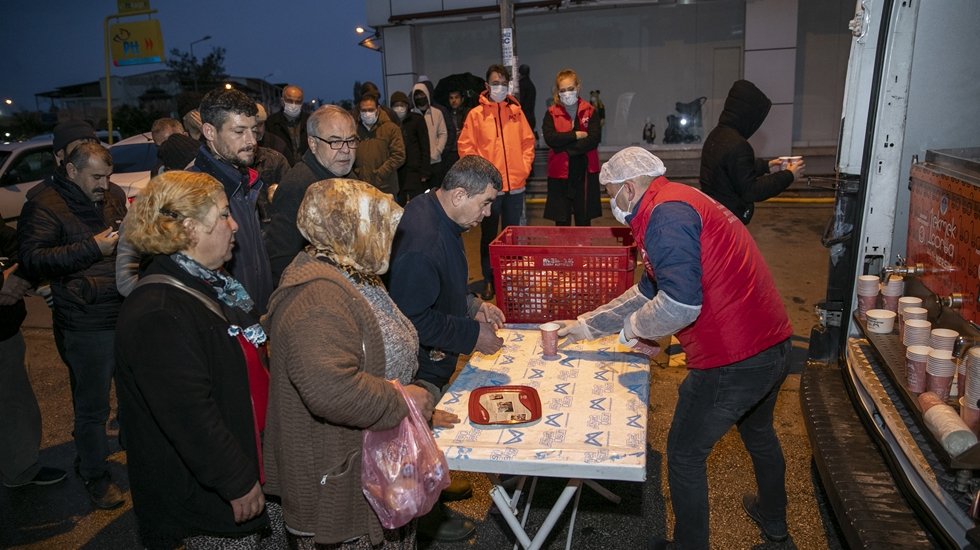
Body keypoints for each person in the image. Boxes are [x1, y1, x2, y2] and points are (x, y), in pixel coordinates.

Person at [557, 147, 793, 549]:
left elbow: (681, 304)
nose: (612, 204)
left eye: (612, 194)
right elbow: (646, 291)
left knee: (684, 456)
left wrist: (632, 332)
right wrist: (584, 326)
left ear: (629, 188)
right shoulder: (677, 200)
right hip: (772, 342)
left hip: (732, 358)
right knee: (760, 436)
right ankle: (775, 525)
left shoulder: (664, 218)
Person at [263, 178, 436, 548]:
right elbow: (332, 389)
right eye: (377, 225)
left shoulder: (350, 269)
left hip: (372, 456)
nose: (388, 236)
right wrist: (402, 401)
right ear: (348, 229)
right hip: (336, 474)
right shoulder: (317, 298)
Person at [115, 170, 278, 549]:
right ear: (189, 228)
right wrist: (235, 480)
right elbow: (189, 415)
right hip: (209, 500)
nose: (234, 224)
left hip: (249, 464)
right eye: (223, 214)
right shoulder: (160, 310)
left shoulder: (212, 284)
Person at [17, 141, 127, 510]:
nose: (105, 184)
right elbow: (33, 261)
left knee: (132, 395)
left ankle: (134, 458)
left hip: (122, 310)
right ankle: (94, 473)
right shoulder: (43, 203)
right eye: (97, 176)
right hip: (84, 321)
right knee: (93, 408)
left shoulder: (111, 195)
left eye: (108, 176)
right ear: (71, 170)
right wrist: (93, 248)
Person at [389, 154, 506, 397]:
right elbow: (411, 318)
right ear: (459, 195)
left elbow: (439, 282)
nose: (488, 213)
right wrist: (472, 335)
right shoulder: (423, 243)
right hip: (420, 374)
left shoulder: (437, 210)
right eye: (485, 203)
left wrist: (471, 305)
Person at [458, 64, 535, 301]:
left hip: (516, 186)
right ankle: (490, 280)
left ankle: (513, 280)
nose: (499, 87)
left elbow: (528, 144)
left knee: (514, 236)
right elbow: (466, 148)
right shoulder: (476, 115)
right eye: (495, 82)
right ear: (487, 85)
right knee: (489, 237)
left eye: (503, 82)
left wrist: (523, 169)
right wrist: (482, 178)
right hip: (489, 189)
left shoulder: (516, 112)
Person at [0, 217, 67, 490]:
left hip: (5, 331)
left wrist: (18, 276)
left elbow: (21, 249)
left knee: (15, 405)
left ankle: (20, 468)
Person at [193, 87, 274, 313]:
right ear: (210, 132)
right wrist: (245, 313)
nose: (251, 141)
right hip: (231, 325)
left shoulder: (246, 181)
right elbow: (202, 273)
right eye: (239, 132)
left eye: (254, 130)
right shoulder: (194, 191)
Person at [265, 105, 357, 283]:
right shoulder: (297, 186)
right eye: (335, 141)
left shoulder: (351, 177)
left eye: (351, 140)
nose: (346, 150)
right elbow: (282, 259)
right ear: (313, 144)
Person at [699, 79, 805, 224]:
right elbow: (752, 190)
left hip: (715, 214)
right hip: (729, 221)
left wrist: (767, 166)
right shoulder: (738, 145)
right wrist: (789, 175)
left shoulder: (717, 135)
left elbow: (733, 169)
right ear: (748, 115)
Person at [542, 68, 602, 226]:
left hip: (585, 174)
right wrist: (575, 135)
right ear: (558, 91)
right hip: (560, 176)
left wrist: (565, 149)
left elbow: (594, 139)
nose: (567, 93)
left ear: (578, 87)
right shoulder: (551, 113)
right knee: (562, 222)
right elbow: (551, 139)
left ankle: (583, 251)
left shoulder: (590, 111)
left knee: (584, 221)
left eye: (570, 89)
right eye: (563, 90)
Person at [352, 93, 405, 197]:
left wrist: (380, 173)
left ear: (378, 109)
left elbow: (399, 155)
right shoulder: (354, 131)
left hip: (386, 188)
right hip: (362, 189)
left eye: (370, 110)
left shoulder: (391, 128)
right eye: (364, 110)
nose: (367, 113)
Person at [390, 90, 431, 205]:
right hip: (397, 171)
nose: (399, 108)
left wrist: (425, 171)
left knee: (418, 203)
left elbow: (425, 145)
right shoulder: (390, 123)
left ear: (407, 106)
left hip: (415, 170)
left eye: (402, 105)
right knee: (399, 204)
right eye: (396, 106)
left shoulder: (417, 119)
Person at [411, 82, 448, 190]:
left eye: (422, 95)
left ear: (427, 95)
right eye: (417, 96)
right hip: (419, 163)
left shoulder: (437, 113)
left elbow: (443, 133)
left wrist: (437, 151)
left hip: (435, 161)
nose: (420, 98)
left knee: (437, 191)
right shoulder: (412, 115)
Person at [266, 84, 309, 165]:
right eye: (289, 101)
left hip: (307, 170)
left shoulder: (310, 121)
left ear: (302, 103)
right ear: (282, 101)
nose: (293, 105)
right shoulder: (271, 122)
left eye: (298, 101)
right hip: (282, 169)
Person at [443, 89, 470, 170]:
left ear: (462, 99)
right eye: (451, 98)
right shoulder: (446, 113)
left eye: (456, 97)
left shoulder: (468, 112)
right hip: (450, 151)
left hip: (465, 150)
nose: (454, 100)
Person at [518, 64, 537, 140]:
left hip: (523, 118)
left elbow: (520, 101)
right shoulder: (531, 85)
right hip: (531, 117)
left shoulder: (521, 85)